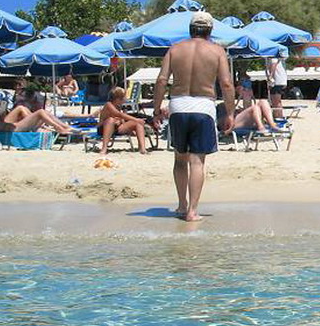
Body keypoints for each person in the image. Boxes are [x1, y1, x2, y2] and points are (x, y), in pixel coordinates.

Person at [152, 12, 235, 222]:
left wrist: (156, 109)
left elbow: (162, 80)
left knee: (180, 159)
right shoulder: (217, 51)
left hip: (178, 106)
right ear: (210, 30)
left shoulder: (175, 49)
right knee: (197, 162)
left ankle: (181, 205)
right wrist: (231, 112)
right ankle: (192, 211)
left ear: (190, 29)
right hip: (203, 106)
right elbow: (226, 84)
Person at [98, 86, 148, 154]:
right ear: (118, 98)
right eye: (124, 97)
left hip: (116, 128)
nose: (126, 99)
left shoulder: (119, 106)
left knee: (138, 123)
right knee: (110, 120)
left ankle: (142, 149)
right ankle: (104, 148)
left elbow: (121, 119)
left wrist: (124, 123)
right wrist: (136, 119)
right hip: (103, 129)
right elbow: (118, 114)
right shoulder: (108, 105)